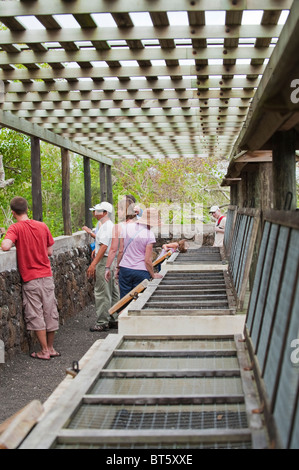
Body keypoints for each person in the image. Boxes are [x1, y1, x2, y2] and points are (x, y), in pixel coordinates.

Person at [1, 197, 59, 361]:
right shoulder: (42, 226)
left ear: (13, 212)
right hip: (46, 275)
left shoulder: (15, 228)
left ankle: (44, 350)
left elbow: (5, 246)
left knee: (36, 313)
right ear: (27, 209)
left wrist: (10, 240)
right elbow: (50, 252)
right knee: (50, 310)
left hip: (31, 278)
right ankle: (52, 347)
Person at [86, 202, 119, 332]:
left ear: (105, 213)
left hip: (104, 260)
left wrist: (93, 264)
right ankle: (113, 317)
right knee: (112, 290)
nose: (95, 213)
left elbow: (104, 246)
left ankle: (102, 321)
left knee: (102, 291)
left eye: (97, 211)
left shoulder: (106, 227)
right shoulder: (109, 226)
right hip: (110, 260)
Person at [116, 207, 163, 299]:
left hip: (125, 269)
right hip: (141, 272)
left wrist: (118, 267)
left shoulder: (126, 228)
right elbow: (147, 260)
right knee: (139, 300)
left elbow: (121, 251)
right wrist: (153, 275)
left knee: (124, 300)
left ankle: (122, 313)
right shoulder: (149, 235)